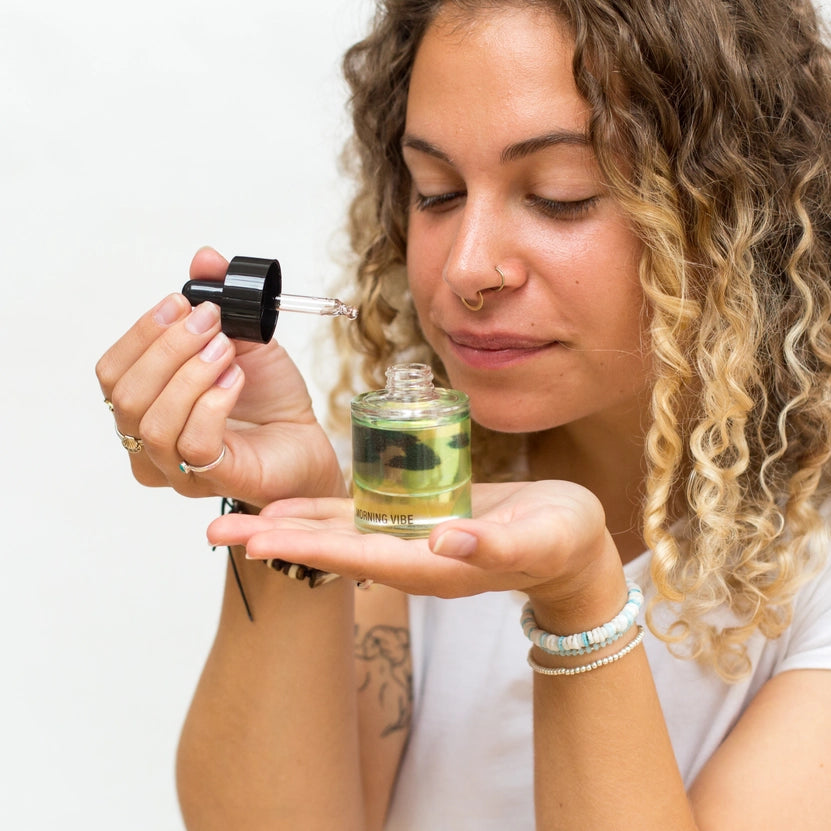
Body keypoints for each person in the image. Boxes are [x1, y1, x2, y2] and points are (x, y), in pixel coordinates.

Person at [96, 0, 831, 828]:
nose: (467, 268)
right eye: (437, 192)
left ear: (737, 212)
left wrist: (579, 599)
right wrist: (288, 506)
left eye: (559, 196)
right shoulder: (411, 476)